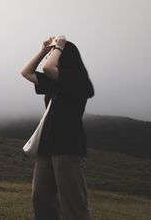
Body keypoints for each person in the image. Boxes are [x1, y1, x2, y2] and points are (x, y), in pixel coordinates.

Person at [20, 35, 94, 220]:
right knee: (41, 199)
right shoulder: (54, 82)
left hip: (68, 147)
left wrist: (59, 46)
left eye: (54, 53)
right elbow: (26, 72)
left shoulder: (77, 80)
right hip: (47, 147)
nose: (50, 56)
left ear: (65, 56)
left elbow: (48, 68)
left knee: (73, 206)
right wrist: (44, 50)